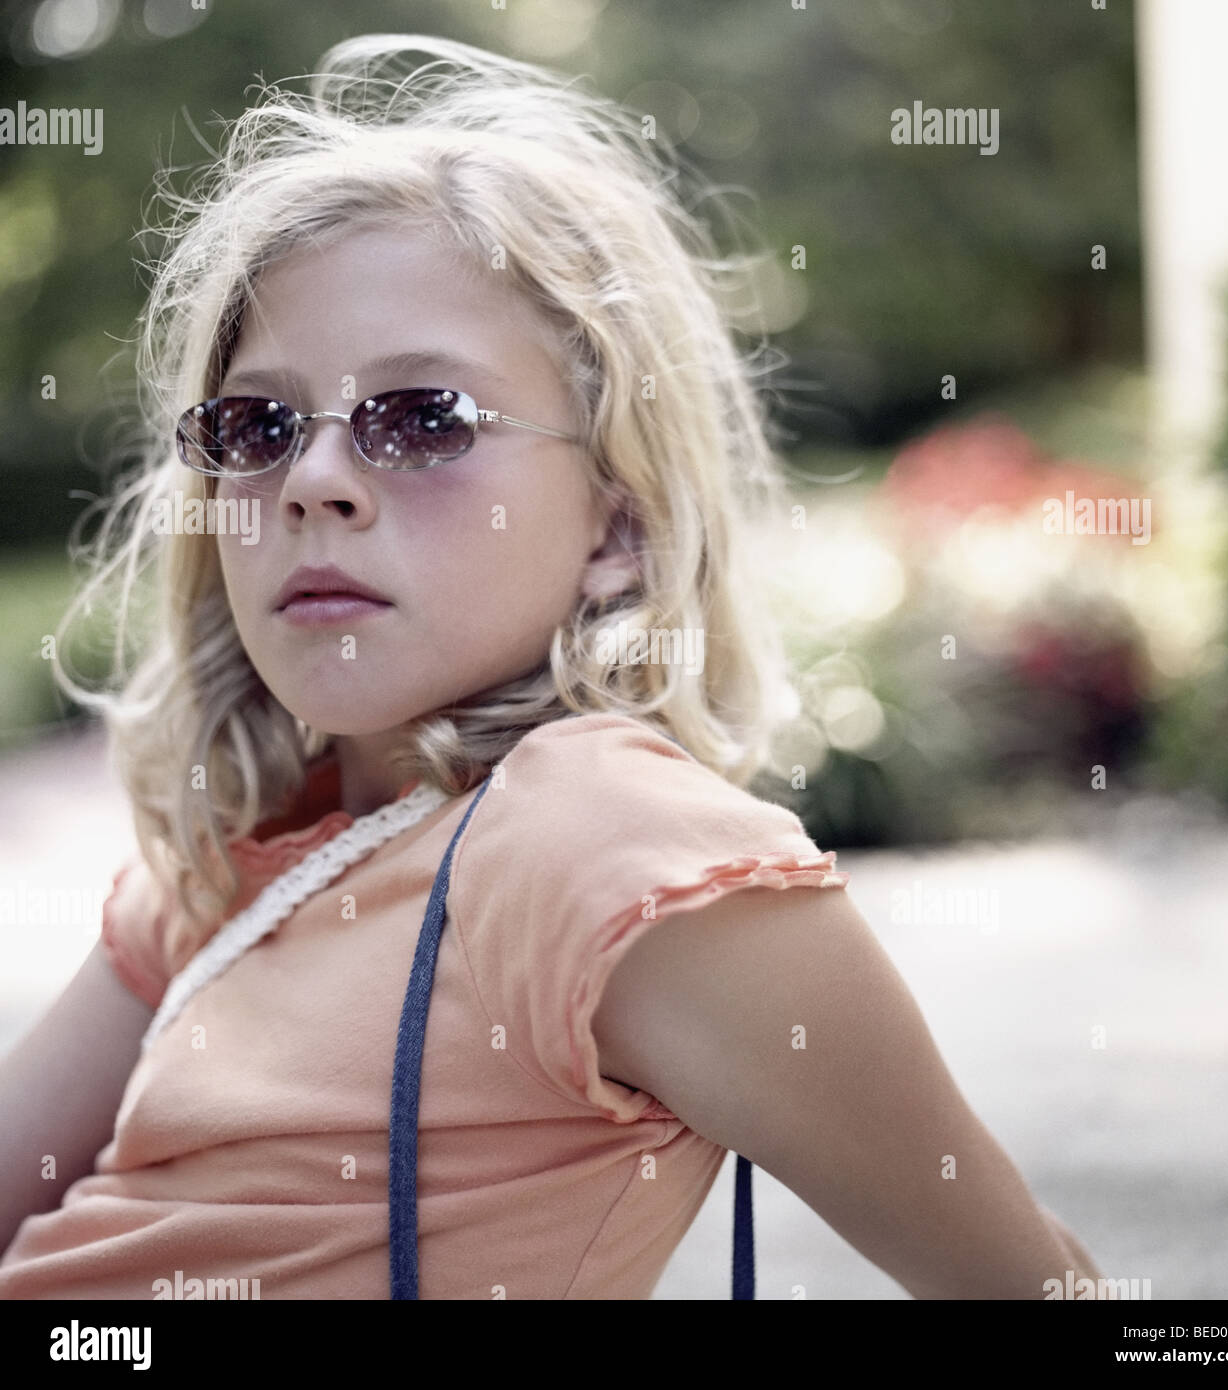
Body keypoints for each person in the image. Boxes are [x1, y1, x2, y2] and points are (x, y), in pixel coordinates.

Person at [0, 34, 1101, 1300]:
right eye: (258, 425)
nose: (311, 482)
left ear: (616, 524)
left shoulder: (595, 836)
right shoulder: (231, 853)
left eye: (422, 419)